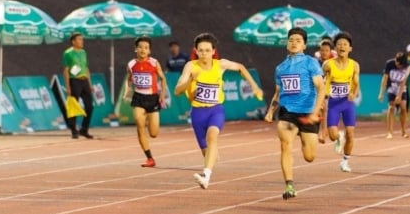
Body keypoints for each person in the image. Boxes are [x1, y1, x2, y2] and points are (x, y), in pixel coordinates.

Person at [175, 33, 262, 190]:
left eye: (207, 50)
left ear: (213, 51)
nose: (204, 54)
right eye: (201, 50)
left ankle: (205, 174)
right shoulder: (191, 67)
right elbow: (177, 91)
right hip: (197, 113)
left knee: (212, 136)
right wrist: (189, 81)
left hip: (215, 110)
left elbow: (241, 67)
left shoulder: (220, 64)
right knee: (206, 150)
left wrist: (254, 86)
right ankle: (207, 174)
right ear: (196, 50)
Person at [264, 27, 325, 200]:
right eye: (291, 40)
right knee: (285, 146)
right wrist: (271, 111)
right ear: (286, 44)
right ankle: (289, 185)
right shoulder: (280, 68)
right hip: (287, 113)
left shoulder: (311, 63)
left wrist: (315, 112)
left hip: (308, 114)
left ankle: (304, 138)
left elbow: (321, 88)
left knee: (309, 156)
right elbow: (278, 92)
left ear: (304, 45)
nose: (294, 43)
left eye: (298, 40)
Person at [124, 36, 167, 168]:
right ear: (135, 49)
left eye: (146, 48)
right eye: (140, 47)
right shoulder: (131, 64)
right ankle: (149, 158)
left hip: (152, 98)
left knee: (153, 134)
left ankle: (149, 118)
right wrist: (127, 90)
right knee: (139, 124)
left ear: (149, 51)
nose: (143, 50)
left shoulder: (154, 63)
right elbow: (129, 79)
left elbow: (162, 79)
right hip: (138, 98)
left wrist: (162, 94)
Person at [321, 31, 360, 173]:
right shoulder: (327, 64)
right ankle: (339, 137)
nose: (342, 46)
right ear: (335, 49)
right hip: (333, 103)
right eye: (339, 44)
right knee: (332, 135)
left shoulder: (354, 65)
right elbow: (320, 82)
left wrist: (353, 93)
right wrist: (321, 98)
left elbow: (356, 85)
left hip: (347, 103)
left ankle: (345, 161)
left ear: (350, 48)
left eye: (345, 44)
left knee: (351, 133)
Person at [62, 32, 94, 139]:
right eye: (79, 39)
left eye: (82, 39)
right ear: (73, 41)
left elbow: (86, 68)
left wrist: (90, 84)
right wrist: (68, 87)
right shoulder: (68, 53)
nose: (82, 41)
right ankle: (73, 130)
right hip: (74, 81)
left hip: (84, 81)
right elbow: (66, 70)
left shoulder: (83, 52)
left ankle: (84, 130)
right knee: (73, 107)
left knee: (89, 106)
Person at [378, 52, 410, 139]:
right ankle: (390, 132)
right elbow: (385, 78)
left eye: (399, 65)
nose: (397, 65)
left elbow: (404, 82)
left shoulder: (408, 67)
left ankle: (403, 131)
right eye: (396, 63)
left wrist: (399, 95)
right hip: (391, 86)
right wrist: (381, 93)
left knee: (403, 108)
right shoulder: (389, 63)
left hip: (401, 87)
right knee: (391, 107)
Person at [316, 38, 336, 144]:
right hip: (316, 91)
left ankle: (323, 132)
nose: (324, 52)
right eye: (322, 50)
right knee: (319, 112)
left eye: (326, 50)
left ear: (330, 52)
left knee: (324, 110)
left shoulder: (333, 64)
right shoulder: (315, 63)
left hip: (329, 91)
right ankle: (323, 131)